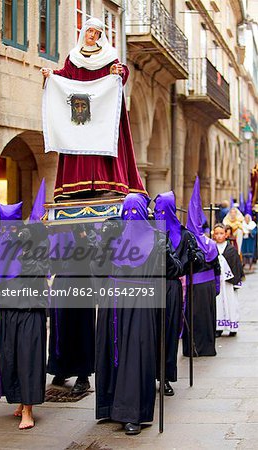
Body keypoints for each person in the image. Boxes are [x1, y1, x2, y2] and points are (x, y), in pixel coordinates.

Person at [92, 194, 182, 435]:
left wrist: (164, 252)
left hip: (141, 303)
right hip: (113, 302)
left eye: (135, 212)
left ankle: (133, 413)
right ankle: (110, 406)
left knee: (136, 355)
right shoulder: (113, 237)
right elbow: (96, 269)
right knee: (110, 353)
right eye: (127, 212)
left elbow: (174, 268)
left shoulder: (156, 237)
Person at [41, 17, 146, 200]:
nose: (92, 35)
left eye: (96, 33)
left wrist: (118, 71)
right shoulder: (74, 57)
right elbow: (66, 75)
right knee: (78, 143)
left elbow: (121, 72)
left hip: (102, 111)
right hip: (81, 110)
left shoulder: (108, 56)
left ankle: (105, 184)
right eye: (90, 31)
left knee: (103, 143)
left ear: (99, 36)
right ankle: (77, 187)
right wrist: (51, 75)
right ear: (84, 32)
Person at [0, 203, 49, 430]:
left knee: (28, 360)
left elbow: (42, 270)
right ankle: (20, 401)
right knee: (10, 361)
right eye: (5, 228)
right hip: (6, 315)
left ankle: (28, 411)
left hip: (29, 314)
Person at [154, 191, 205, 384]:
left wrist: (192, 259)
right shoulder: (148, 231)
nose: (158, 214)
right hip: (149, 286)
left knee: (168, 331)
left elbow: (199, 258)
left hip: (171, 288)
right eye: (156, 210)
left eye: (162, 210)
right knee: (148, 333)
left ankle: (165, 376)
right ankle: (147, 374)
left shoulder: (184, 235)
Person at [47, 224, 95, 394]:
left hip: (81, 284)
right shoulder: (58, 229)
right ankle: (61, 369)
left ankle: (83, 376)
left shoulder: (87, 228)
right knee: (61, 329)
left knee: (81, 330)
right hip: (61, 283)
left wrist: (81, 233)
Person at [183, 177, 221, 357]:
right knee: (207, 316)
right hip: (207, 287)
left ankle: (193, 348)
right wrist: (217, 286)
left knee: (194, 317)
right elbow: (217, 267)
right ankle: (207, 347)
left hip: (193, 286)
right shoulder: (210, 244)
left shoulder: (188, 241)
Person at [213, 223, 244, 337]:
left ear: (226, 235)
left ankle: (232, 327)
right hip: (217, 282)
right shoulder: (212, 248)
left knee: (231, 303)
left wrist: (236, 282)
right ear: (214, 235)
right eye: (217, 234)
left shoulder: (231, 249)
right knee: (218, 303)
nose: (219, 236)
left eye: (221, 233)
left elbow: (236, 266)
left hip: (228, 283)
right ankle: (218, 327)